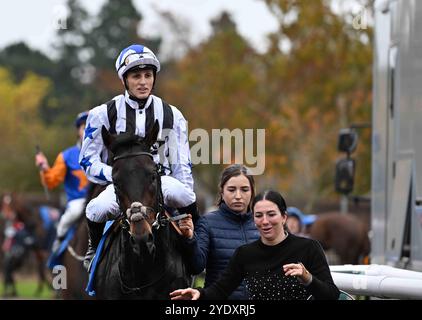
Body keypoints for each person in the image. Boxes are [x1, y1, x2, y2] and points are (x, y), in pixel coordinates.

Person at [79, 44, 198, 270]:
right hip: (121, 186)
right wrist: (114, 174)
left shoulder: (173, 115)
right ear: (124, 79)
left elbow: (182, 163)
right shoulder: (102, 113)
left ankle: (197, 248)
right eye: (136, 76)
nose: (143, 82)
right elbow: (88, 161)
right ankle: (94, 249)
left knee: (185, 196)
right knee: (95, 210)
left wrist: (185, 190)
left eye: (147, 75)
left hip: (160, 184)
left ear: (154, 78)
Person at [170, 190, 340, 300]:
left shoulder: (308, 248)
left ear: (284, 217)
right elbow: (220, 290)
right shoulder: (245, 254)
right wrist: (199, 293)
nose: (265, 221)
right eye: (259, 215)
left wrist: (307, 278)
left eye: (271, 214)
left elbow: (332, 295)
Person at [187, 164, 260, 299]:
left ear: (252, 192)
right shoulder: (207, 223)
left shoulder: (262, 224)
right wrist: (190, 239)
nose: (238, 196)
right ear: (222, 192)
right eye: (231, 189)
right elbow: (196, 267)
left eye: (244, 189)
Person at [35, 111, 90, 253]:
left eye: (93, 126)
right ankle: (57, 249)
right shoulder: (66, 156)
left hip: (103, 200)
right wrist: (45, 168)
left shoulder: (107, 151)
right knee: (68, 218)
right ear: (78, 131)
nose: (89, 130)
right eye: (85, 127)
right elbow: (51, 181)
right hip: (77, 202)